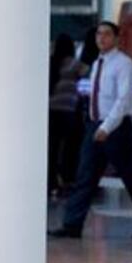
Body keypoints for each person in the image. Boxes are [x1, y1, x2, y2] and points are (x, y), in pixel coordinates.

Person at [49, 21, 132, 240]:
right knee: (85, 176)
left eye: (107, 34)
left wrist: (107, 127)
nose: (102, 38)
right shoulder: (97, 64)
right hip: (94, 126)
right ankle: (72, 225)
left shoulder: (124, 64)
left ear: (117, 38)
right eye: (99, 34)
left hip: (116, 128)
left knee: (130, 176)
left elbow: (123, 100)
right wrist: (92, 124)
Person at [48, 33, 86, 197]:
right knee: (68, 148)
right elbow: (86, 71)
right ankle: (66, 179)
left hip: (51, 110)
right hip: (67, 111)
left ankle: (51, 182)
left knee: (52, 148)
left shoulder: (52, 63)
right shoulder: (73, 64)